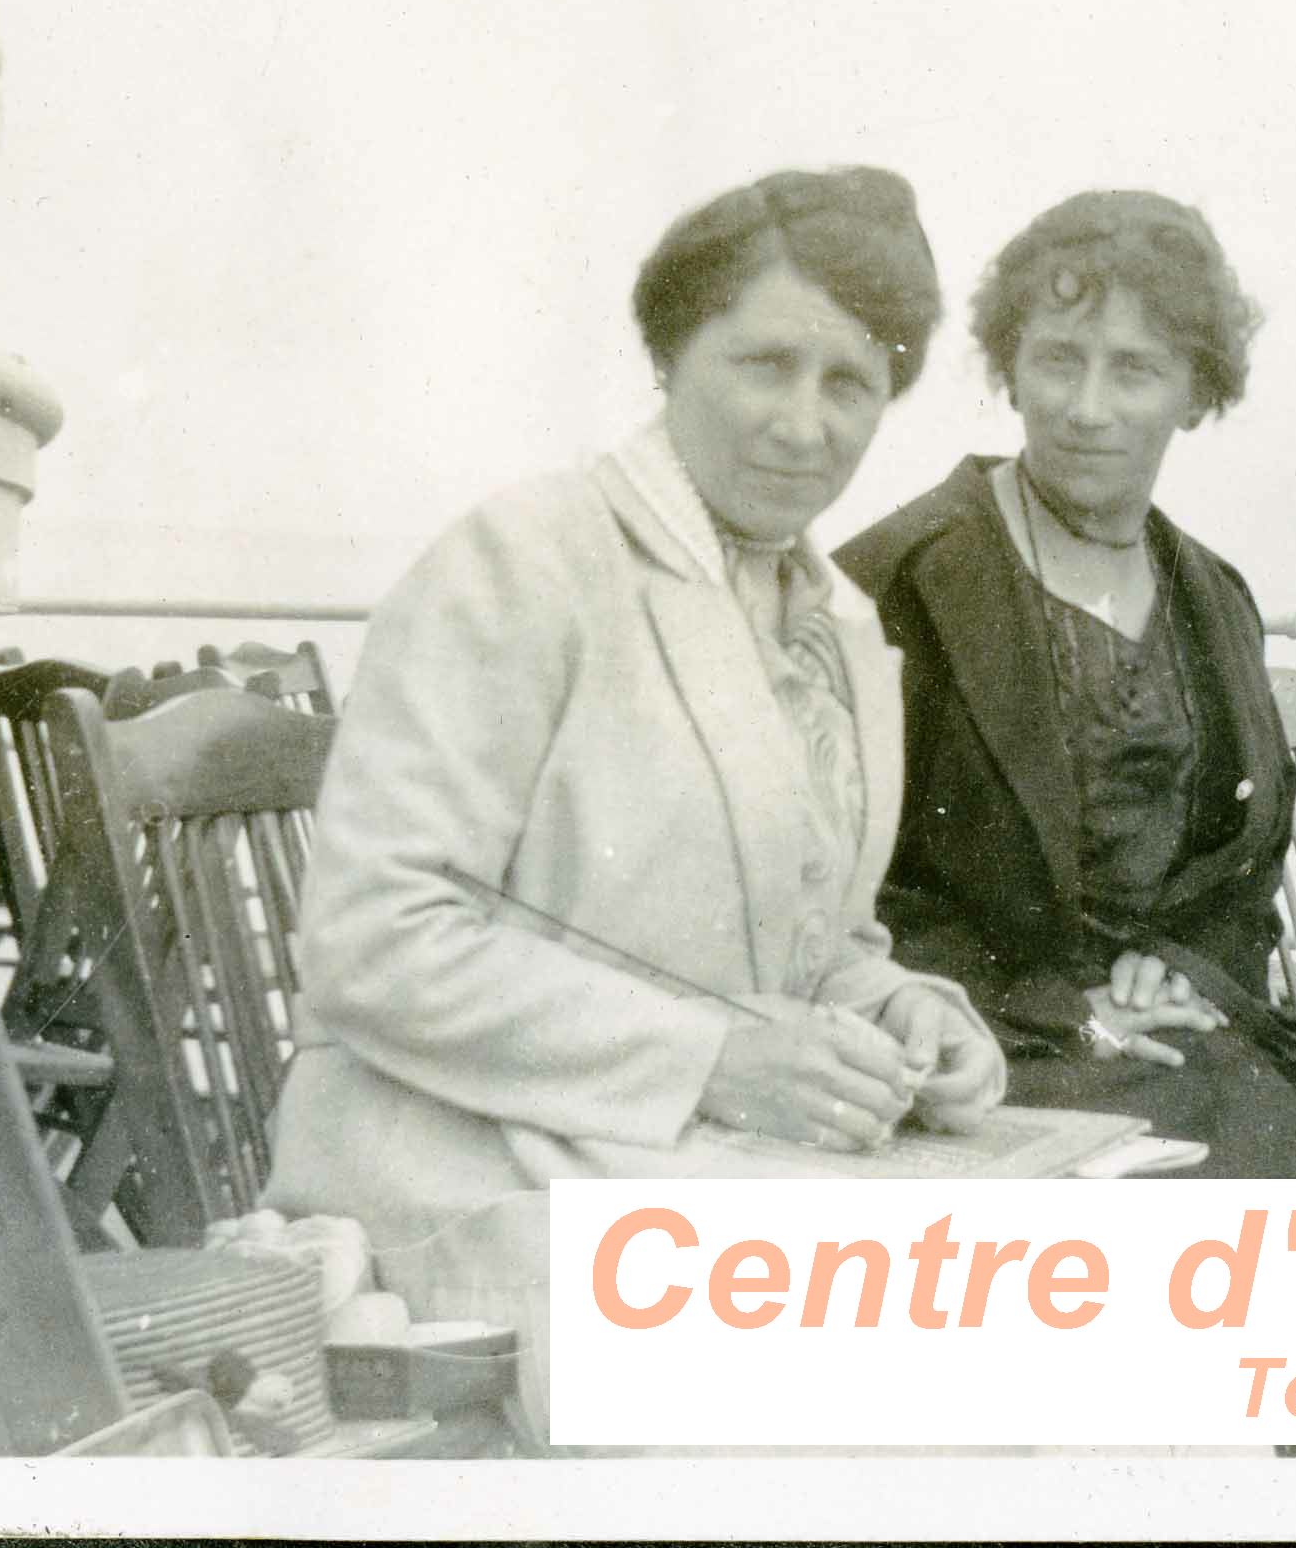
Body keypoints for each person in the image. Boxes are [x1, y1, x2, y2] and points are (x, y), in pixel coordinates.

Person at [259, 166, 1008, 1443]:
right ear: (671, 355)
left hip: (684, 1163)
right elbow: (371, 936)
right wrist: (720, 1058)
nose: (804, 422)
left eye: (851, 384)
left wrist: (901, 1011)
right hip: (468, 1179)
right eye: (764, 363)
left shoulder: (840, 626)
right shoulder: (526, 558)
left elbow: (806, 938)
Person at [836, 190, 1296, 1179]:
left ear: (1193, 389)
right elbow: (844, 885)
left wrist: (1178, 964)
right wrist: (1059, 1004)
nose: (1087, 406)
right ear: (1010, 364)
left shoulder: (1212, 595)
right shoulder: (899, 577)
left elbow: (1240, 866)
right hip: (976, 1044)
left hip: (1169, 1028)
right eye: (1058, 358)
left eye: (1133, 368)